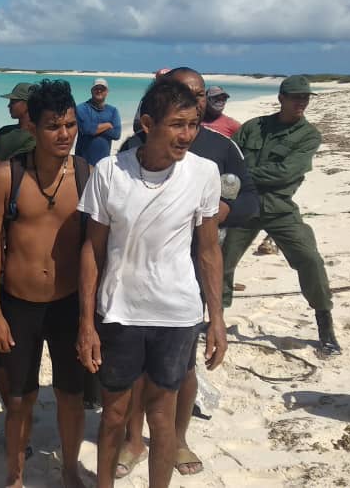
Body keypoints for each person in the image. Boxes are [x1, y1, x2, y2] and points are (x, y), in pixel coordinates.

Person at [77, 78, 228, 488]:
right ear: (147, 122)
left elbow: (209, 250)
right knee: (112, 416)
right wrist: (86, 323)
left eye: (193, 124)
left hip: (177, 313)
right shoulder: (110, 171)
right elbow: (92, 250)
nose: (188, 135)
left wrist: (216, 319)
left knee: (162, 419)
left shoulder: (204, 173)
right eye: (178, 124)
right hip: (119, 311)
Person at [116, 67, 258, 477]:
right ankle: (132, 437)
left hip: (194, 268)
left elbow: (251, 198)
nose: (195, 103)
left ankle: (177, 439)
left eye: (198, 96)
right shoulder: (137, 145)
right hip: (141, 274)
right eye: (184, 95)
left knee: (185, 367)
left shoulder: (220, 147)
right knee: (139, 370)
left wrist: (215, 214)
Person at [0, 79, 88, 488]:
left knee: (71, 396)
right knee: (19, 398)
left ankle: (72, 469)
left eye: (70, 125)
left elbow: (94, 249)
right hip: (18, 305)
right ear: (32, 129)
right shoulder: (7, 177)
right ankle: (15, 475)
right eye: (53, 126)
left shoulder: (85, 174)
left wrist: (88, 318)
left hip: (67, 303)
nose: (64, 135)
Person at [223, 75, 341, 354]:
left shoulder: (309, 135)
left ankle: (325, 324)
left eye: (306, 98)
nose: (302, 102)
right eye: (296, 97)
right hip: (244, 206)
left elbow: (287, 172)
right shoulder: (254, 127)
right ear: (281, 98)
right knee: (220, 261)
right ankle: (214, 319)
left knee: (309, 259)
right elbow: (228, 157)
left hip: (279, 208)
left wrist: (243, 174)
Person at [74, 78, 121, 166]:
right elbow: (87, 129)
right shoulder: (81, 108)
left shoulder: (113, 111)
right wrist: (107, 125)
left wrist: (95, 129)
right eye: (96, 88)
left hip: (104, 163)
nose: (99, 91)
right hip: (82, 162)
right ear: (91, 91)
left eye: (102, 89)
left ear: (107, 92)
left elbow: (116, 134)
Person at [0, 82, 36, 160]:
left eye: (13, 102)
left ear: (28, 104)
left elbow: (11, 166)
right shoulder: (4, 130)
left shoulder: (35, 136)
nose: (8, 105)